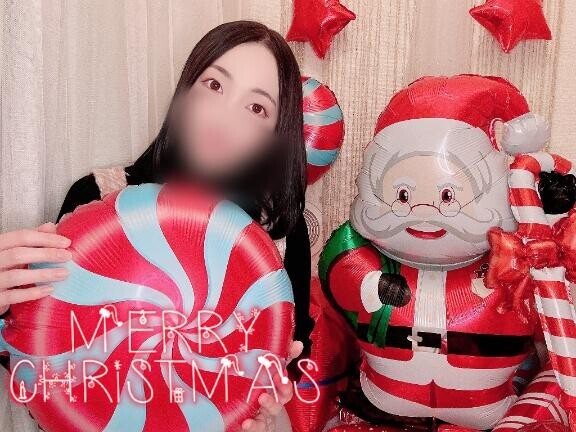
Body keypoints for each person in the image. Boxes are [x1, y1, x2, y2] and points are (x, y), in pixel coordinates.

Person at [0, 20, 312, 432]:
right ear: (185, 91)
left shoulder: (280, 236)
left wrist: (270, 408)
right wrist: (7, 309)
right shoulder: (98, 198)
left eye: (257, 108)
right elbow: (42, 360)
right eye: (214, 85)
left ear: (276, 133)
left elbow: (287, 373)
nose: (224, 118)